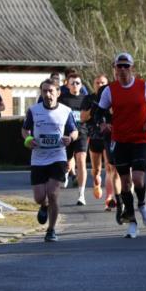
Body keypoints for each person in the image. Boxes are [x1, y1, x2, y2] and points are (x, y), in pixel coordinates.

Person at [96, 52, 146, 239]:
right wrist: (102, 124)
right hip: (120, 140)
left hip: (140, 138)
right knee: (125, 182)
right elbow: (99, 112)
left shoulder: (143, 86)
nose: (122, 69)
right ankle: (132, 222)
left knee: (138, 179)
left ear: (132, 68)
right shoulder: (110, 90)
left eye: (126, 66)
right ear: (114, 69)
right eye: (119, 66)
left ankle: (142, 204)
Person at [22, 79, 79, 241]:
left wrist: (70, 138)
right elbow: (24, 130)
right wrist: (28, 139)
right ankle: (44, 205)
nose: (48, 94)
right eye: (45, 91)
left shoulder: (66, 111)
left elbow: (74, 131)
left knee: (53, 193)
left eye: (51, 91)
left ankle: (51, 230)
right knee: (40, 197)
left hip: (58, 157)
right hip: (38, 159)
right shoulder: (33, 110)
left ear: (58, 93)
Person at [83, 74, 120, 207]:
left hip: (108, 136)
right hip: (94, 136)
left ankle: (109, 197)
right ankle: (96, 182)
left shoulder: (110, 94)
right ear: (94, 84)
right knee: (96, 170)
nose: (99, 85)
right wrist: (92, 111)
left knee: (110, 168)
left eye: (102, 82)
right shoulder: (89, 99)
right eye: (97, 82)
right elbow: (82, 118)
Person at [58, 70, 89, 204]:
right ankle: (65, 173)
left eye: (78, 83)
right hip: (67, 135)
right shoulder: (63, 100)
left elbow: (90, 117)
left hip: (82, 133)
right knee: (66, 161)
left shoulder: (86, 100)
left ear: (81, 85)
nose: (75, 85)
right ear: (68, 85)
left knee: (81, 160)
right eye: (73, 83)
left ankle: (81, 194)